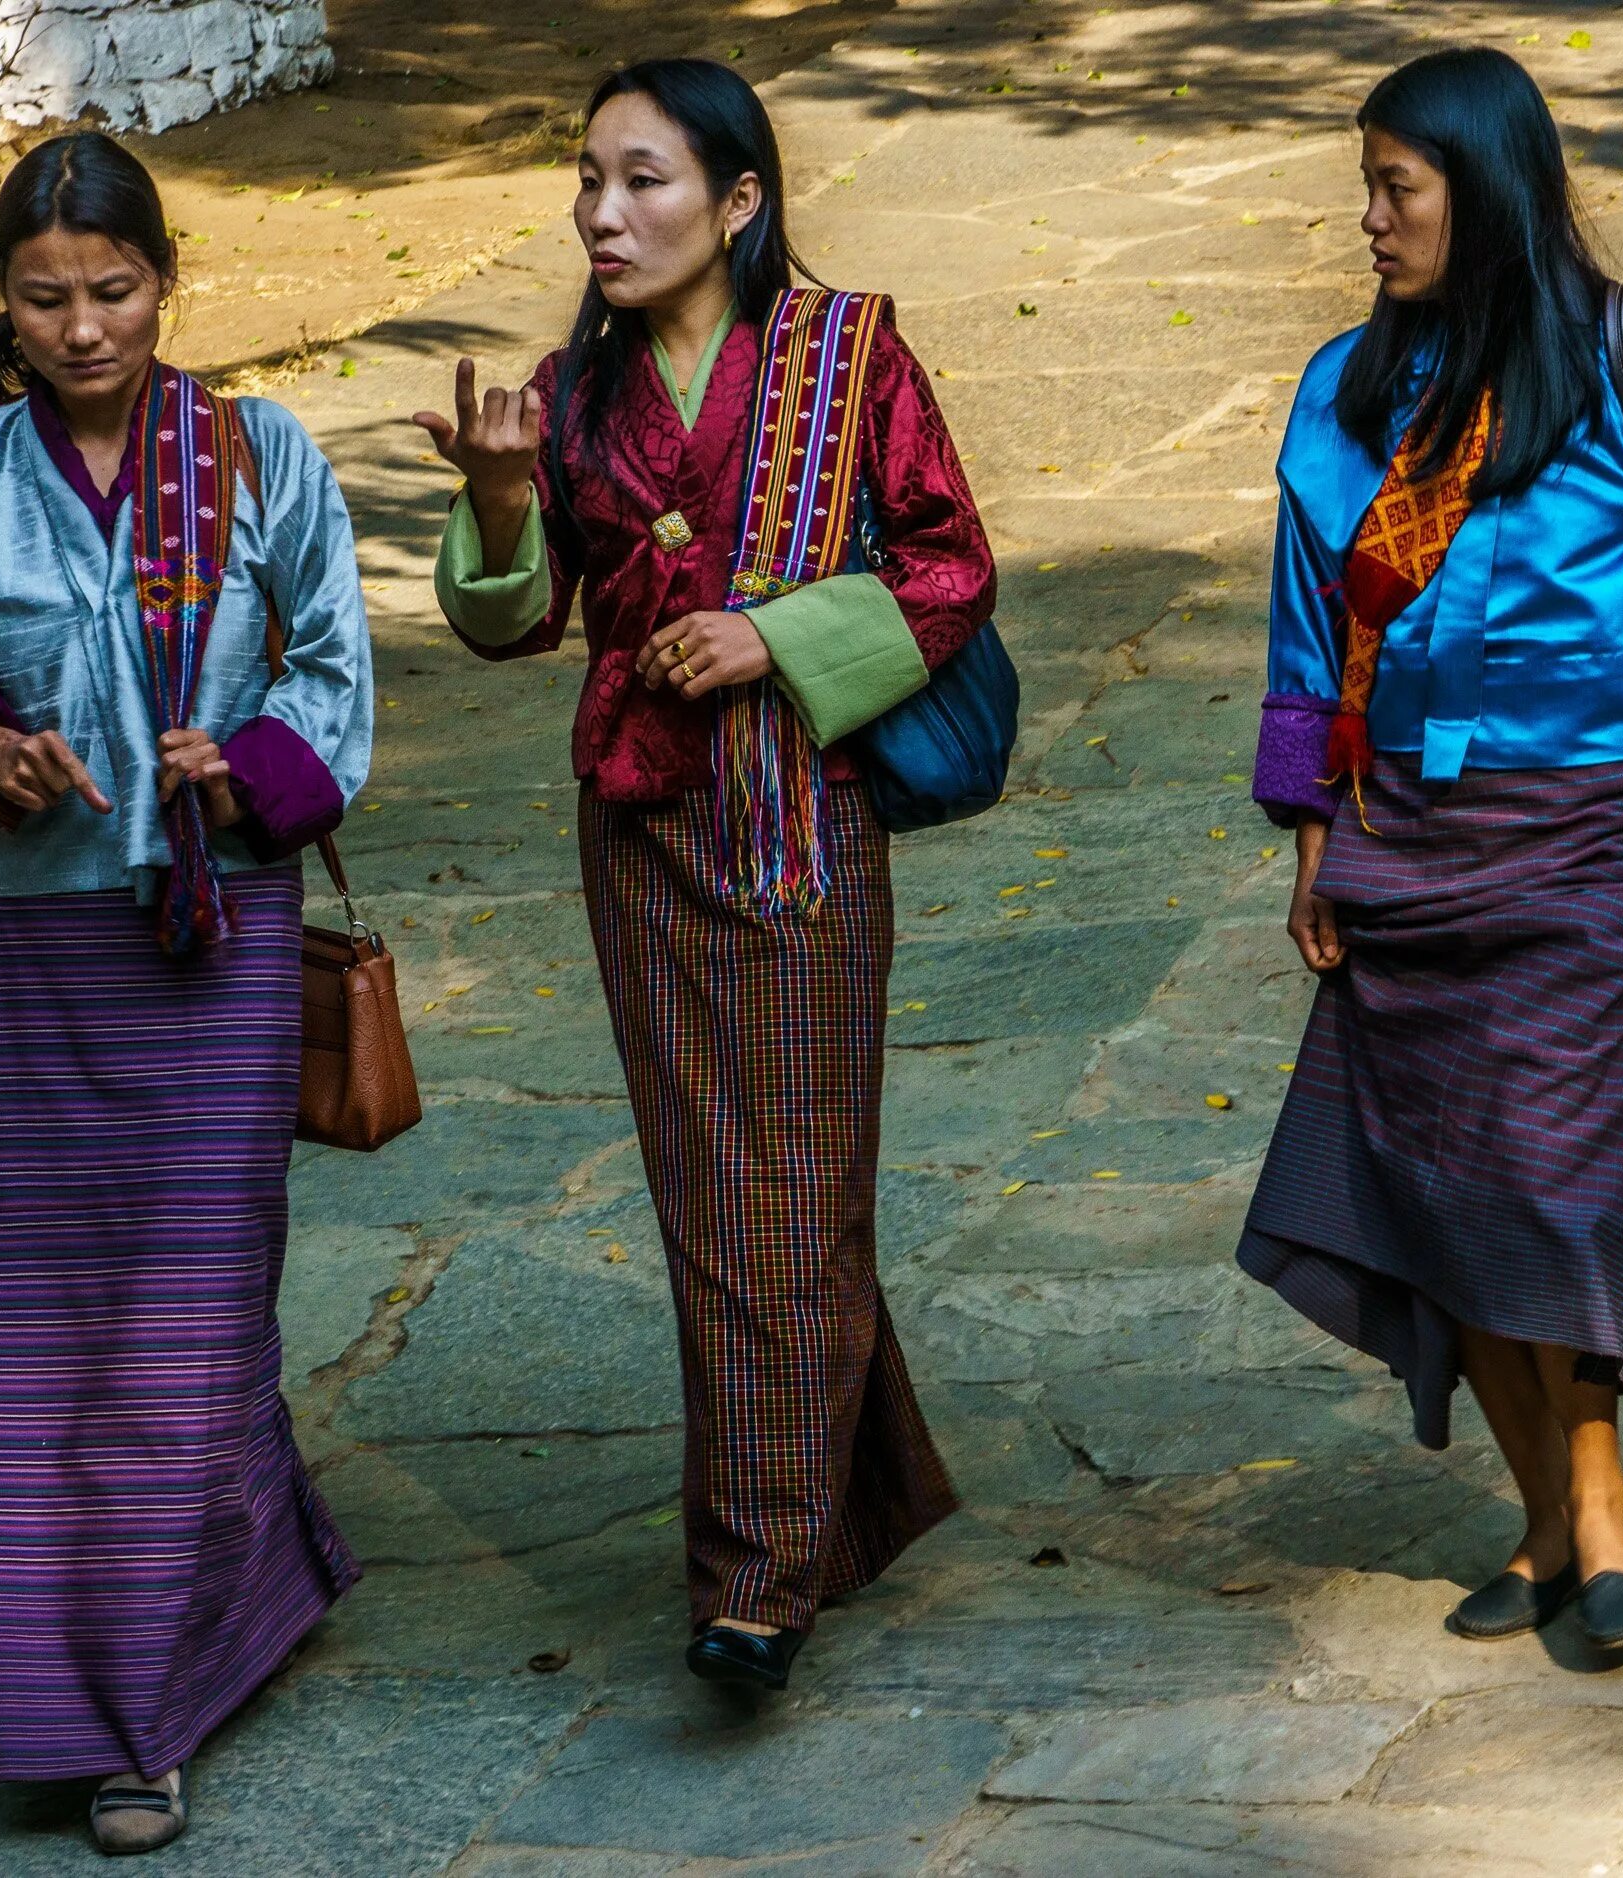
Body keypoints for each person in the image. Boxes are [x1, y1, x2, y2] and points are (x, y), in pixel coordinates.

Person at [416, 57, 993, 1692]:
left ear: (740, 202)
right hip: (644, 839)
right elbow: (515, 620)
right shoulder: (569, 392)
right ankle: (838, 1501)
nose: (605, 213)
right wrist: (498, 491)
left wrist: (773, 631)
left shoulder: (852, 352)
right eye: (589, 179)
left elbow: (951, 563)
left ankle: (755, 1578)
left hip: (804, 823)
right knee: (709, 1205)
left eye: (645, 179)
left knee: (796, 1198)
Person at [0, 131, 372, 1852]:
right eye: (44, 296)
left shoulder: (258, 454)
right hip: (41, 937)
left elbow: (330, 667)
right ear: (2, 304)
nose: (83, 328)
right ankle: (202, 1610)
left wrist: (248, 762)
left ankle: (145, 1710)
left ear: (167, 280)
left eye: (115, 289)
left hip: (210, 925)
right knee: (71, 1318)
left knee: (194, 1302)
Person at [1242, 48, 1623, 1651]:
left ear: (1482, 190)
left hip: (1590, 829)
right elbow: (1301, 641)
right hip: (1401, 834)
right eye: (1368, 185)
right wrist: (1311, 846)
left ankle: (1600, 1488)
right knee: (1430, 1176)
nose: (1370, 219)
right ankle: (1549, 1524)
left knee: (1568, 1176)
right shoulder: (1349, 390)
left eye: (1396, 187)